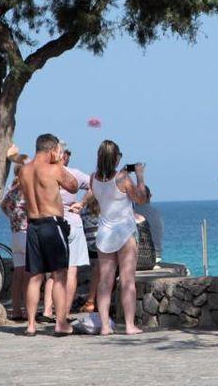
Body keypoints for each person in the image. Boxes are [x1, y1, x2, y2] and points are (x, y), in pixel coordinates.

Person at [18, 133, 78, 337]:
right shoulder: (54, 169)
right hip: (52, 224)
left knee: (34, 277)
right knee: (59, 275)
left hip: (32, 225)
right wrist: (60, 162)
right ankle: (61, 324)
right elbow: (73, 186)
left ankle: (31, 325)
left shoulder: (24, 171)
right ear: (52, 150)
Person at [92, 140, 146, 335]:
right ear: (116, 158)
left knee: (105, 282)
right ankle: (130, 325)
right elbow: (141, 198)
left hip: (104, 234)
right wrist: (139, 177)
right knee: (127, 280)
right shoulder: (123, 179)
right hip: (124, 233)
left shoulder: (93, 179)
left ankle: (105, 326)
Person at [59, 143, 92, 315]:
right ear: (62, 155)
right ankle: (63, 314)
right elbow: (95, 184)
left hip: (51, 223)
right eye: (68, 153)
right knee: (71, 270)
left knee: (56, 273)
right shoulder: (74, 174)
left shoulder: (42, 173)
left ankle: (51, 311)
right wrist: (82, 202)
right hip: (72, 223)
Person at [0, 170, 28, 321]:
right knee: (30, 276)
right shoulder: (28, 190)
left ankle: (16, 309)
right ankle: (28, 309)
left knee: (18, 275)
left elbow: (3, 205)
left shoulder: (13, 190)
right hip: (26, 234)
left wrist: (12, 217)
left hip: (15, 234)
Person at [79, 197, 102, 313]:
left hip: (90, 247)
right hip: (103, 245)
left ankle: (92, 301)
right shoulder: (105, 208)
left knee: (96, 269)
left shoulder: (83, 210)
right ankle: (92, 301)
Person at [134, 186, 164, 265]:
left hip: (140, 258)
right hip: (157, 257)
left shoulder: (132, 212)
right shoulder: (157, 213)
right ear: (150, 196)